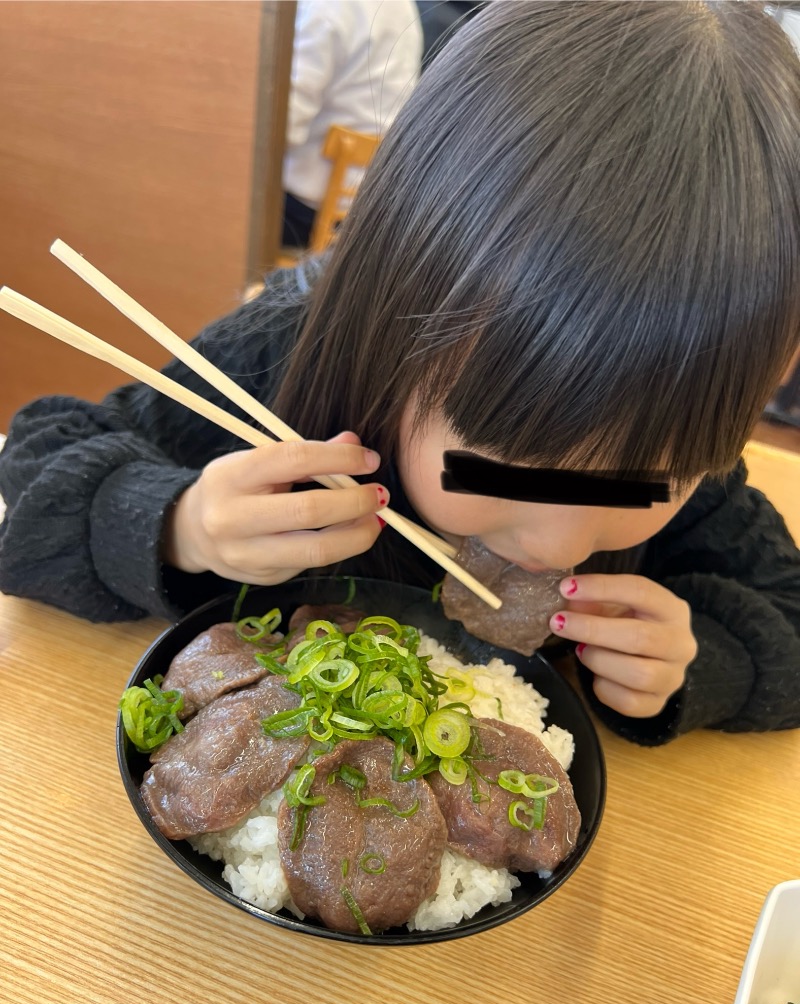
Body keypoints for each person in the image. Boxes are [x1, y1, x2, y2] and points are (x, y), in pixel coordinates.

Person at [1, 1, 799, 748]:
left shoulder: (677, 416)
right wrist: (181, 523)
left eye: (645, 487)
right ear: (400, 320)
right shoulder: (288, 352)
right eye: (506, 465)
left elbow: (789, 614)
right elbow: (35, 478)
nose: (560, 542)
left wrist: (700, 660)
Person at [282, 0, 422, 247]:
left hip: (307, 211)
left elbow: (278, 132)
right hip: (371, 208)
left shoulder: (325, 9)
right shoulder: (406, 8)